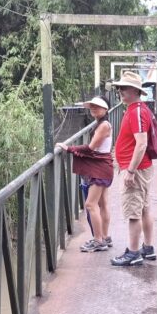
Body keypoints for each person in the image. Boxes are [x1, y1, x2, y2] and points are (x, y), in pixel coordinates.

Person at [109, 71, 157, 267]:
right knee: (144, 208)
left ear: (136, 91)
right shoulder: (135, 110)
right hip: (140, 167)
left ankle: (133, 253)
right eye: (119, 88)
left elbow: (141, 143)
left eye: (125, 88)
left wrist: (130, 171)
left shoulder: (137, 111)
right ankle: (148, 248)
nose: (120, 91)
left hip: (135, 170)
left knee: (133, 212)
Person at [56, 96, 113, 252]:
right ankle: (105, 237)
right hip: (103, 166)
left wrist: (69, 148)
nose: (93, 108)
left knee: (90, 204)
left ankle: (98, 240)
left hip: (100, 168)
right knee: (102, 204)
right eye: (92, 106)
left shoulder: (103, 125)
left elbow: (91, 148)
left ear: (105, 109)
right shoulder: (101, 123)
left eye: (97, 106)